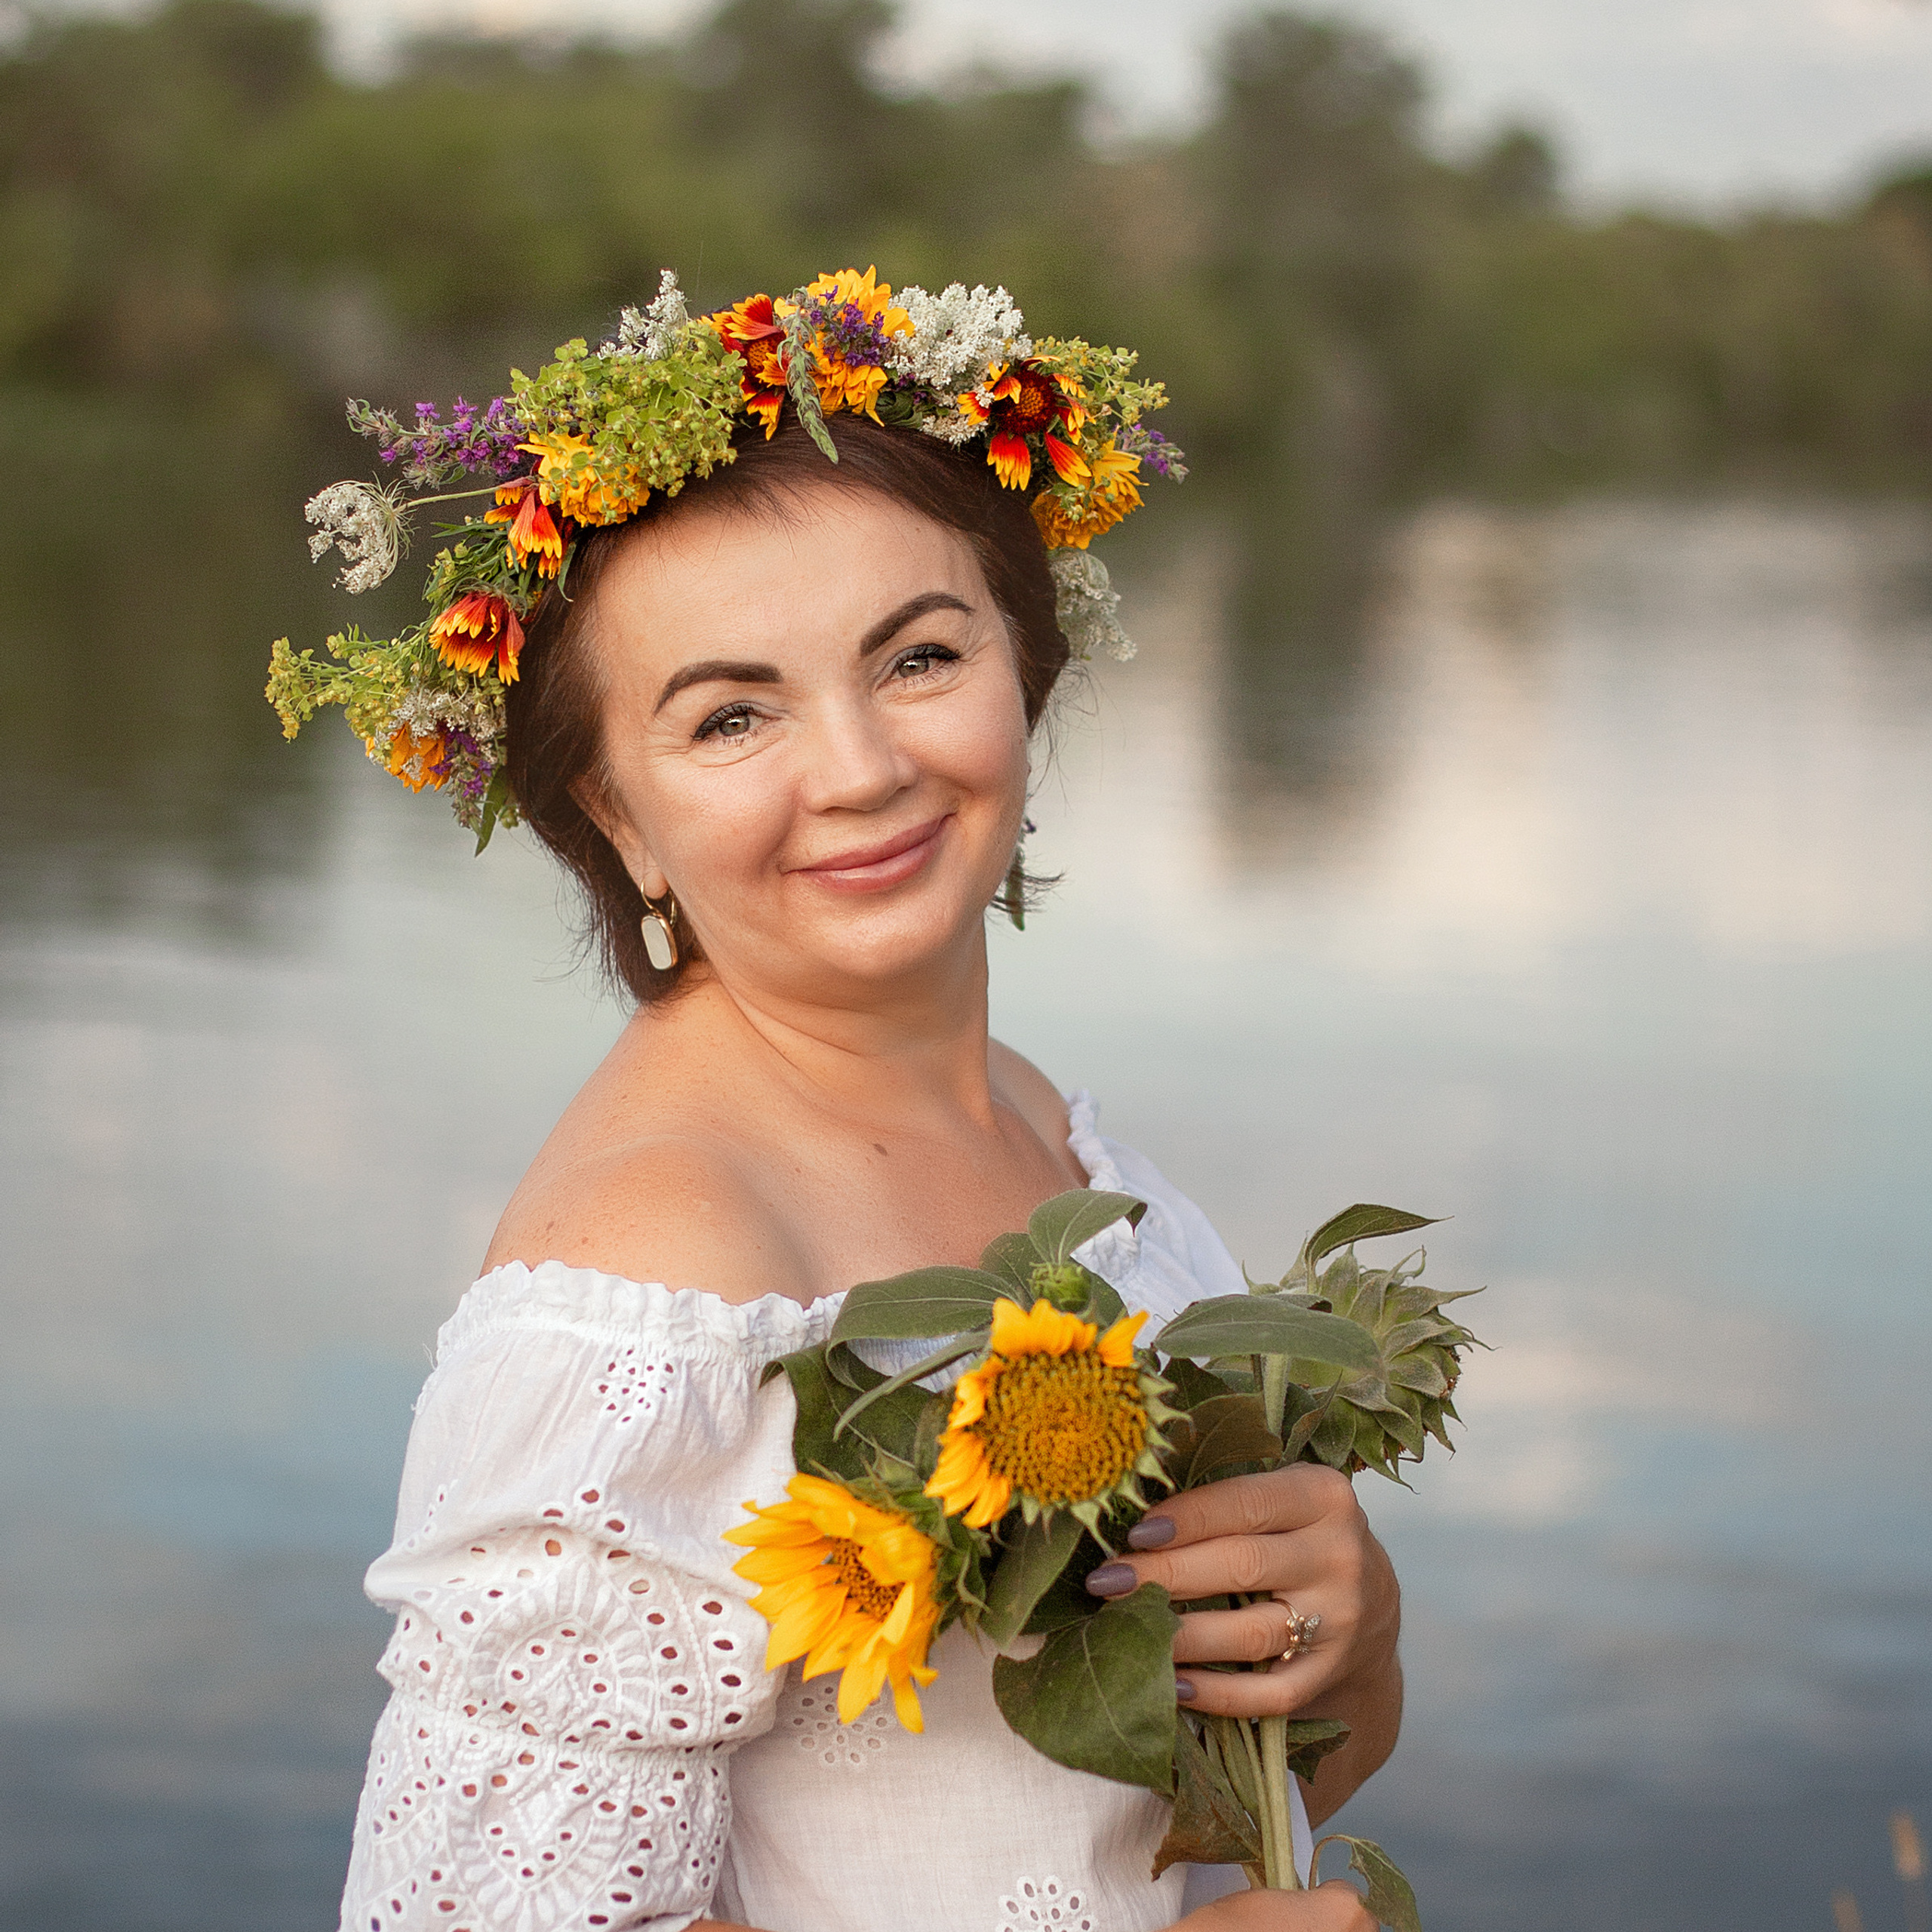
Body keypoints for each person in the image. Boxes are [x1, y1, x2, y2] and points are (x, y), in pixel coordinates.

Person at [284, 272, 1401, 1932]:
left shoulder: (1053, 1132)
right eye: (731, 713)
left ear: (1023, 672)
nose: (862, 766)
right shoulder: (659, 1262)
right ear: (618, 814)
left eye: (919, 656)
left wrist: (1351, 1626)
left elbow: (1199, 1789)